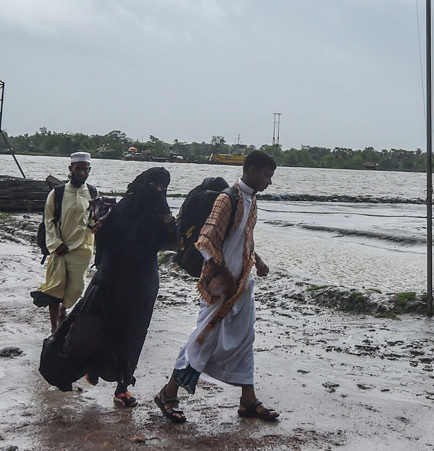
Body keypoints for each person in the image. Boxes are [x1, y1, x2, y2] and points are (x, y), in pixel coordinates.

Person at [154, 150, 279, 423]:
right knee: (202, 340)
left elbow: (242, 237)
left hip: (242, 284)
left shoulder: (251, 199)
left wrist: (257, 260)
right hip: (219, 288)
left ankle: (248, 400)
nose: (269, 182)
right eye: (267, 176)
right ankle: (168, 393)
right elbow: (206, 242)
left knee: (245, 339)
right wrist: (226, 276)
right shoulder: (227, 199)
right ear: (252, 170)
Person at [74, 167, 176, 407]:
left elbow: (173, 239)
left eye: (164, 187)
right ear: (146, 183)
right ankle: (104, 372)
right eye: (156, 186)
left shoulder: (154, 208)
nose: (160, 191)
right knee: (114, 328)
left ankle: (121, 384)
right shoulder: (125, 208)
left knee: (134, 333)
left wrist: (166, 215)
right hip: (122, 278)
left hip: (139, 280)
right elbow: (110, 242)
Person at [31, 152, 96, 334]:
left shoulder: (92, 192)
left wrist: (96, 226)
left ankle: (63, 311)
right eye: (78, 169)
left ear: (89, 170)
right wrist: (55, 244)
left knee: (77, 288)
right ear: (70, 169)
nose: (82, 173)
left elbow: (92, 219)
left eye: (85, 169)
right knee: (55, 290)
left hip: (82, 249)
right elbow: (48, 220)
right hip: (59, 249)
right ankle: (54, 328)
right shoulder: (57, 193)